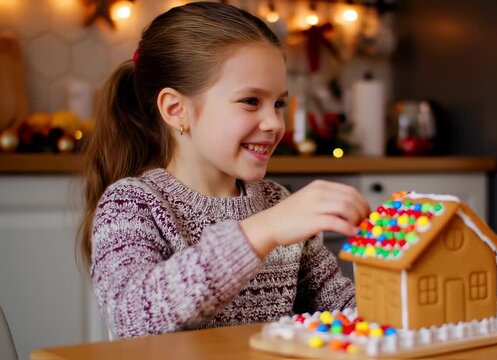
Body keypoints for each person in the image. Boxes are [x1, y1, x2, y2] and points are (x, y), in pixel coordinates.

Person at [77, 2, 370, 339]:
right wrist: (263, 231)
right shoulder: (131, 204)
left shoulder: (275, 201)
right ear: (175, 110)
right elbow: (132, 316)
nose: (274, 124)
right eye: (250, 101)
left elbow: (344, 311)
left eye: (278, 103)